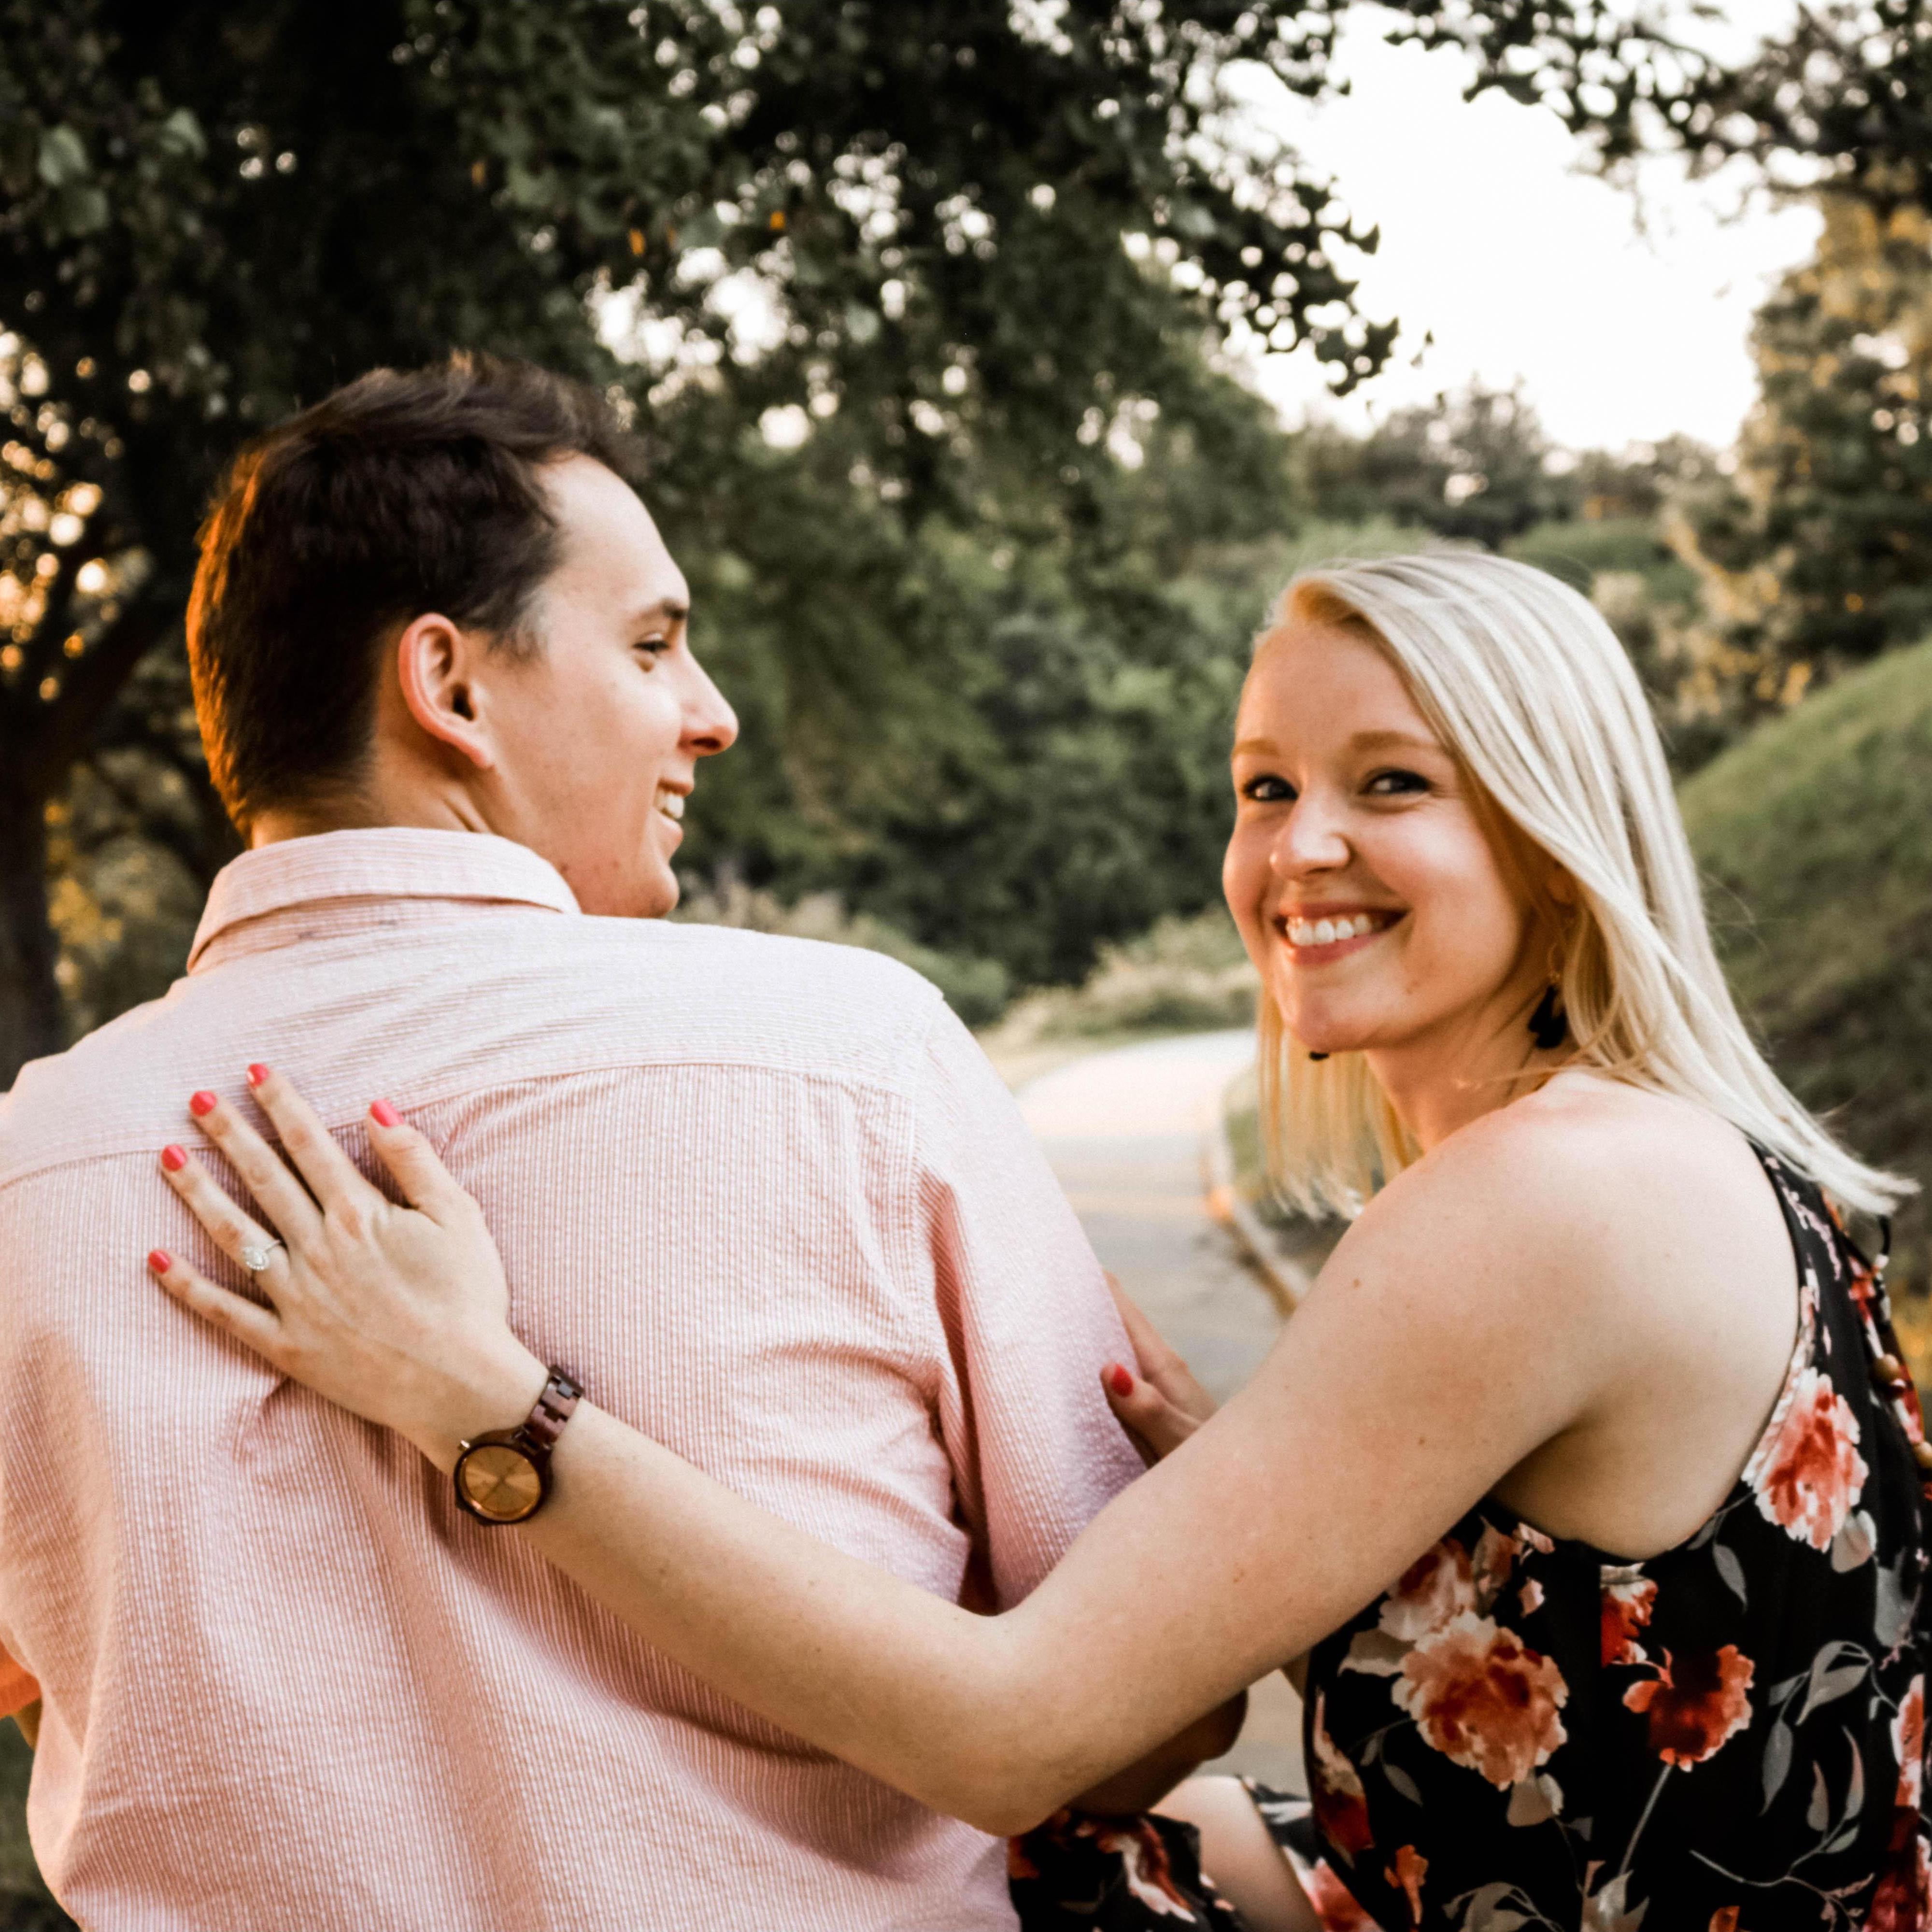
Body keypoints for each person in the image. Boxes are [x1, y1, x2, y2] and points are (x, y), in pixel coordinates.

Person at [153, 549, 1932, 1929]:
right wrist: (1318, 1550)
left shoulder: (1545, 1200)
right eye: (1263, 787)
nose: (1299, 848)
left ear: (1551, 836)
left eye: (1393, 784)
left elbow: (1007, 1735)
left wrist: (486, 1405)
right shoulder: (1647, 1156)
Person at [0, 352, 1236, 1932]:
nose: (712, 716)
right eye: (654, 645)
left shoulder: (31, 1171)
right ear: (449, 688)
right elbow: (1136, 1730)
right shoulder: (854, 1059)